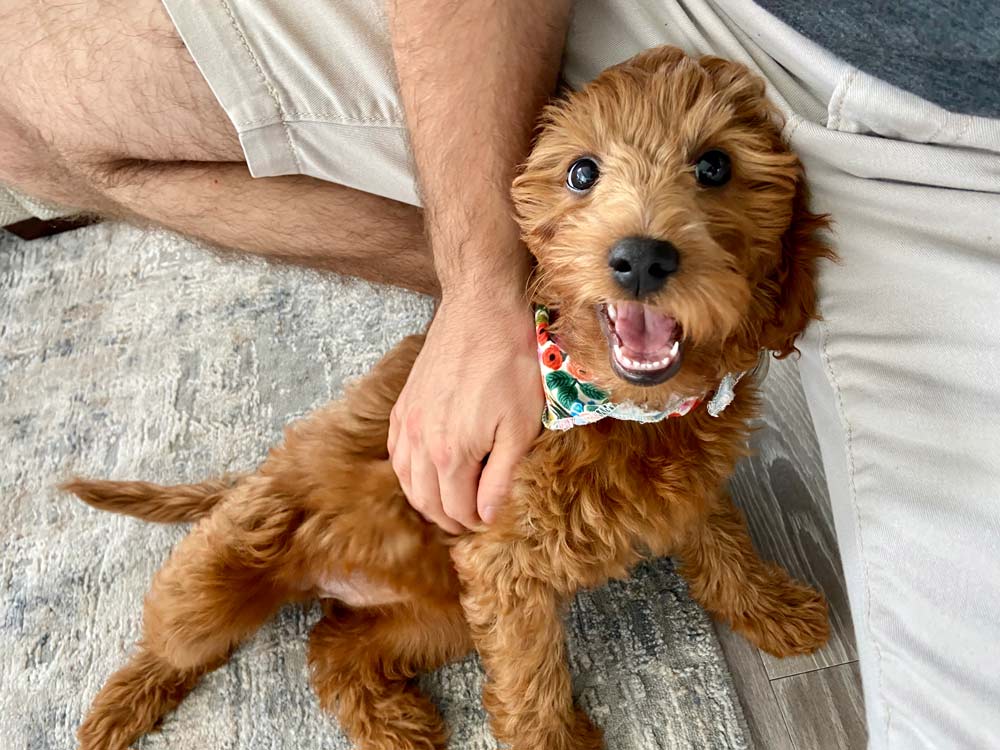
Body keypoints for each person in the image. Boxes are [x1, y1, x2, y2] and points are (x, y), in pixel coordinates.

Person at [1, 1, 997, 748]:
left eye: (709, 172)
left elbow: (688, 491)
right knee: (194, 619)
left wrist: (741, 587)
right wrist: (540, 725)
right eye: (580, 175)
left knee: (450, 611)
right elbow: (503, 567)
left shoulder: (703, 386)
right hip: (320, 525)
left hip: (945, 120)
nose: (640, 233)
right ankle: (163, 671)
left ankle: (352, 660)